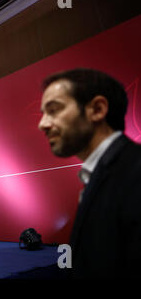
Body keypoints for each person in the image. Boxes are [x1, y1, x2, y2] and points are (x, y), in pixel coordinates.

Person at [38, 68, 141, 278]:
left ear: (97, 109)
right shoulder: (101, 175)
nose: (43, 124)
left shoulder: (134, 172)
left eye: (54, 110)